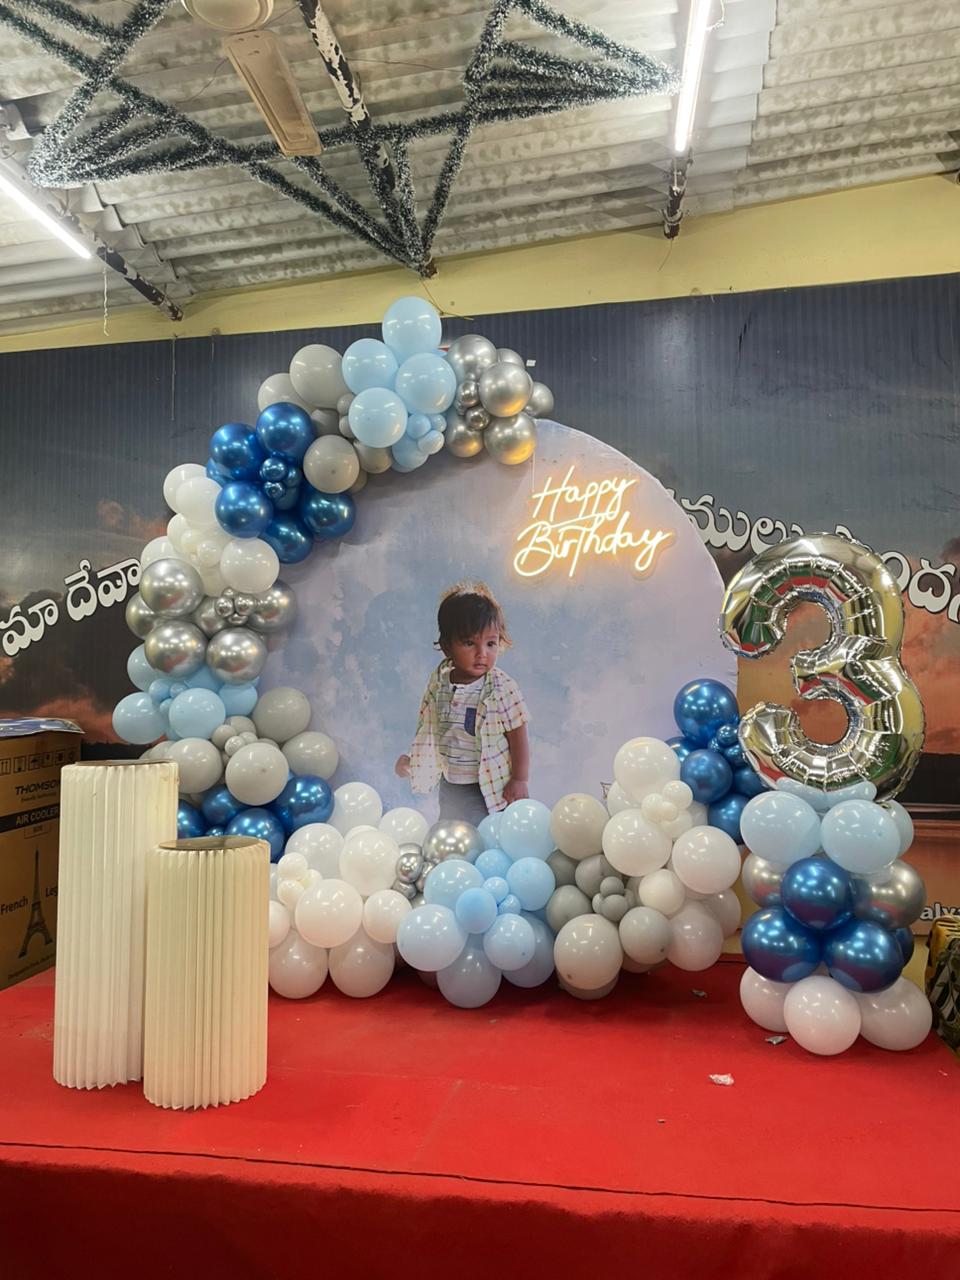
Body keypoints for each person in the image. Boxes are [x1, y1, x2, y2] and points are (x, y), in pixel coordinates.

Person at [395, 583, 530, 826]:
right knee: (450, 827)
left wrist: (519, 779)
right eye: (469, 643)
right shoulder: (440, 682)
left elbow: (518, 734)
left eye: (491, 644)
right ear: (447, 646)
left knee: (485, 830)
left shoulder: (500, 688)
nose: (482, 653)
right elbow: (428, 727)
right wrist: (414, 762)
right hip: (451, 782)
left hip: (487, 785)